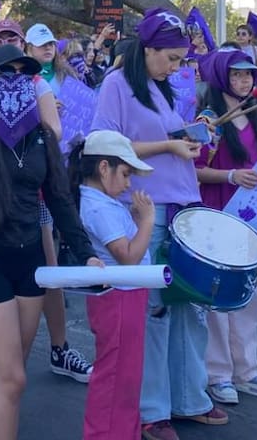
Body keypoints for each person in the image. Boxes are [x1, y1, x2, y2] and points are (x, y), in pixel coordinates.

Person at [0, 43, 101, 440]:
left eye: (23, 74)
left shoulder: (42, 136)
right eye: (6, 74)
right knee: (10, 379)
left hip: (28, 262)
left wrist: (87, 254)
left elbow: (60, 200)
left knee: (13, 378)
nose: (16, 81)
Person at [90, 8, 225, 440]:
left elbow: (173, 141)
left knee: (190, 306)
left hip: (185, 202)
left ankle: (190, 398)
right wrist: (169, 144)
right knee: (156, 310)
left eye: (182, 59)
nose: (177, 66)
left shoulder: (168, 89)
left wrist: (194, 135)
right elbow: (104, 145)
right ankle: (152, 409)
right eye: (170, 57)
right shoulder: (116, 85)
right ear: (146, 49)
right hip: (147, 205)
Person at [193, 48, 257, 406]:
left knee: (249, 295)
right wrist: (230, 175)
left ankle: (247, 369)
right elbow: (191, 169)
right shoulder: (208, 118)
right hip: (217, 212)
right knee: (217, 297)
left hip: (252, 217)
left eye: (249, 75)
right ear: (220, 77)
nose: (245, 81)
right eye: (238, 74)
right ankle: (218, 374)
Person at [24, 23, 94, 383]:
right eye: (39, 45)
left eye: (50, 43)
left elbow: (77, 125)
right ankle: (12, 363)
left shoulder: (69, 79)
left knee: (50, 269)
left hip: (53, 180)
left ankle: (59, 347)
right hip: (15, 190)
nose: (46, 49)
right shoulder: (12, 85)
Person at [75, 130, 155, 440]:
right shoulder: (98, 207)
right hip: (118, 296)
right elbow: (128, 258)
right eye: (125, 173)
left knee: (127, 376)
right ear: (103, 167)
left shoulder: (102, 203)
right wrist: (146, 221)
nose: (128, 183)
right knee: (116, 377)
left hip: (125, 295)